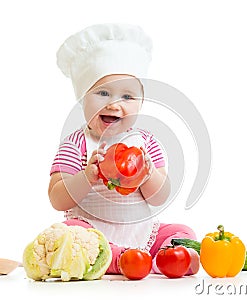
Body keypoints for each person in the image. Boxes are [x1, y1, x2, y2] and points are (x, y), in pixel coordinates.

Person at [48, 23, 199, 275]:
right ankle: (120, 260)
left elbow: (160, 197)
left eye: (127, 97)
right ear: (82, 98)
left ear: (141, 102)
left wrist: (148, 176)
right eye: (103, 93)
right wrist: (86, 177)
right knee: (71, 233)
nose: (115, 104)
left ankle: (170, 256)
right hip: (92, 232)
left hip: (141, 230)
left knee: (181, 233)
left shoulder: (147, 143)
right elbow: (56, 198)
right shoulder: (76, 143)